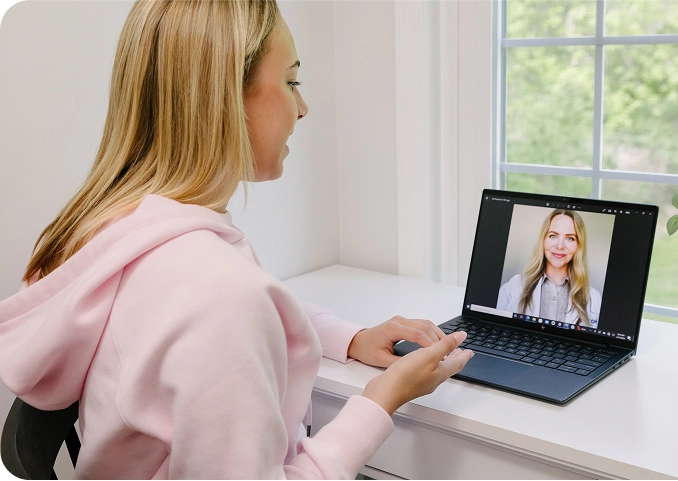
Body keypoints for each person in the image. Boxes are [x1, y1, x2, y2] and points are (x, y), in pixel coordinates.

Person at [0, 1, 473, 478]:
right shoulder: (220, 293)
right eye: (292, 82)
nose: (303, 109)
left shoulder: (115, 228)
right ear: (225, 97)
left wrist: (349, 338)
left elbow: (205, 315)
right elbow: (223, 309)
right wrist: (382, 400)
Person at [496, 209, 601, 328]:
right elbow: (493, 329)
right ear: (543, 240)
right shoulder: (513, 286)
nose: (560, 246)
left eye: (570, 238)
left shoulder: (594, 298)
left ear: (578, 245)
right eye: (553, 236)